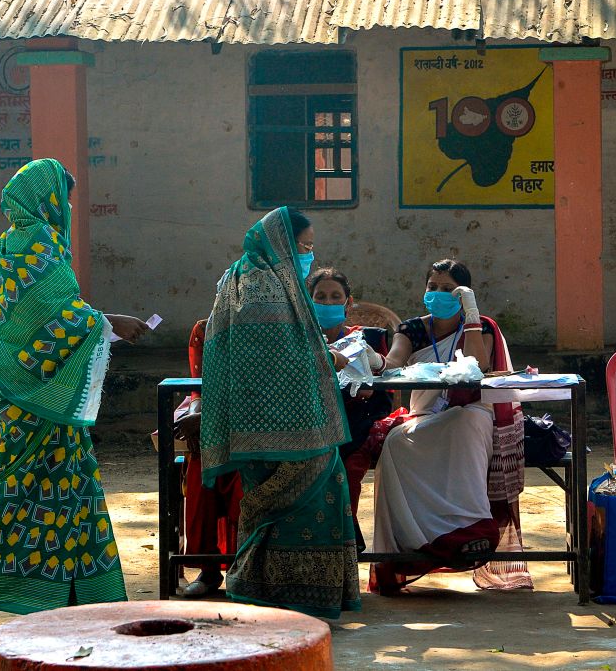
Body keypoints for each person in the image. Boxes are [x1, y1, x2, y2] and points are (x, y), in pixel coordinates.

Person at [0, 159, 149, 643]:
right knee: (24, 494)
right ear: (49, 200)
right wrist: (107, 320)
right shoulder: (36, 244)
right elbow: (53, 318)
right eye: (65, 198)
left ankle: (81, 605)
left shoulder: (17, 245)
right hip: (29, 396)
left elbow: (40, 318)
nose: (67, 208)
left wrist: (98, 322)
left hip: (24, 391)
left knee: (72, 491)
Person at [199, 207, 361, 619]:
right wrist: (326, 359)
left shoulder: (252, 276)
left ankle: (280, 587)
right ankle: (284, 590)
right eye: (304, 245)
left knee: (305, 496)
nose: (307, 253)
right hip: (282, 421)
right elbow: (272, 355)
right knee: (310, 497)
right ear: (283, 244)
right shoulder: (261, 284)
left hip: (266, 420)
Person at [369, 259, 531, 595]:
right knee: (396, 443)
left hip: (469, 413)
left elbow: (478, 368)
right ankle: (419, 540)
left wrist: (471, 315)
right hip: (424, 417)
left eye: (448, 289)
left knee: (466, 420)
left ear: (462, 294)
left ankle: (471, 527)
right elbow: (394, 363)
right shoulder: (413, 329)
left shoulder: (480, 327)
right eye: (433, 287)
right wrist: (369, 359)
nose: (438, 294)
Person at [308, 267, 394, 552]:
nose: (328, 303)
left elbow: (385, 393)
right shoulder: (299, 341)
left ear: (348, 302)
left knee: (345, 468)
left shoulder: (366, 339)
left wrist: (375, 370)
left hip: (354, 427)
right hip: (307, 426)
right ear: (308, 302)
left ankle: (343, 541)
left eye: (336, 296)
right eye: (320, 297)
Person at [169, 318, 244, 598]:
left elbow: (259, 394)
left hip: (256, 429)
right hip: (215, 428)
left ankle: (244, 567)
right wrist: (195, 414)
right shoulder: (204, 329)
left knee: (243, 482)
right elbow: (199, 388)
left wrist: (207, 419)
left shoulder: (268, 328)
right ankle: (208, 569)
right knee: (201, 468)